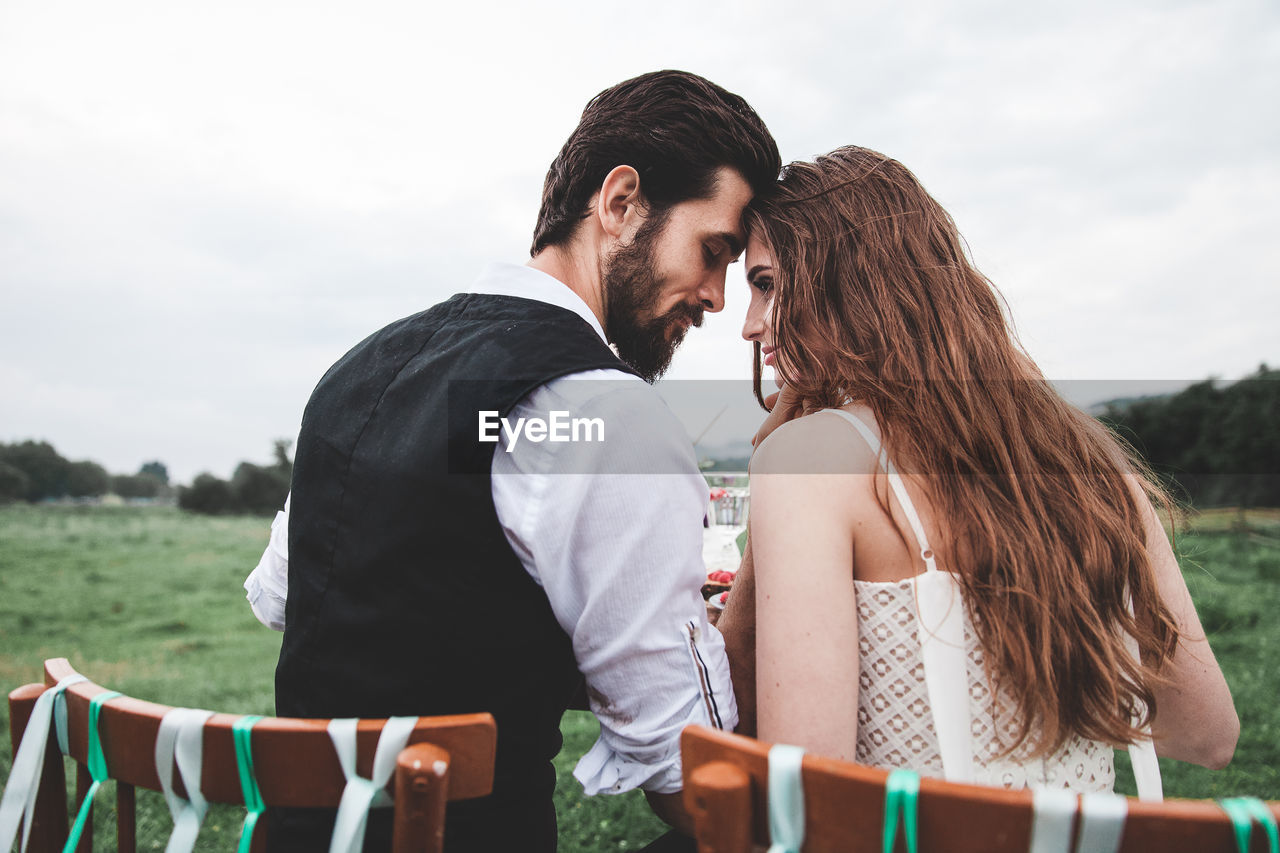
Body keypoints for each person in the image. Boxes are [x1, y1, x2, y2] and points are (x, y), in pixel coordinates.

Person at [243, 70, 780, 851]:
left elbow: (298, 598)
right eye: (713, 251)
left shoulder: (358, 370)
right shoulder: (605, 413)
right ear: (621, 202)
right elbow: (690, 777)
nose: (718, 297)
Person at [718, 145, 1238, 791]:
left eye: (765, 283)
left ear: (850, 279)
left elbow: (808, 795)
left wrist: (774, 473)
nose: (749, 325)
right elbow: (1208, 734)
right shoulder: (1087, 456)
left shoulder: (809, 459)